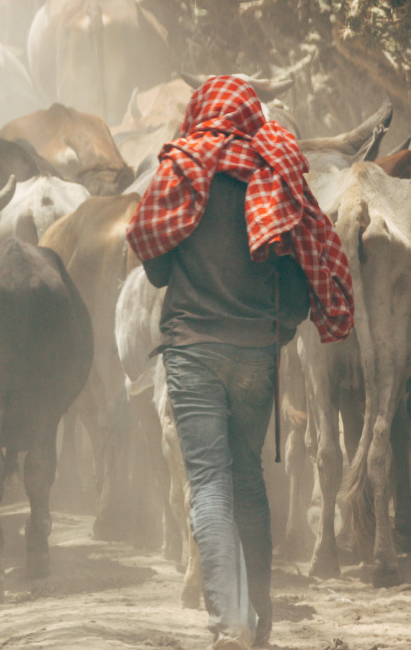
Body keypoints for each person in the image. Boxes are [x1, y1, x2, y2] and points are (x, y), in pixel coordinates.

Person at [127, 76, 353, 650]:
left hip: (190, 353)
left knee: (207, 483)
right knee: (249, 476)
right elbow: (299, 286)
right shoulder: (273, 171)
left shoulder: (182, 168)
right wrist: (270, 327)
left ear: (201, 111)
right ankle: (262, 617)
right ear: (250, 113)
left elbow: (154, 265)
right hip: (256, 353)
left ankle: (228, 622)